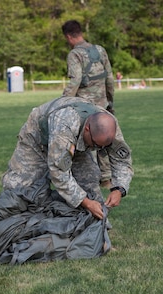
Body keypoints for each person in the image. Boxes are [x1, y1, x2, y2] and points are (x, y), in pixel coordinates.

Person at [1, 96, 133, 220]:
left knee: (89, 180)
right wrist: (85, 202)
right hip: (37, 138)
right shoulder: (65, 126)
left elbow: (121, 160)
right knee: (19, 186)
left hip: (76, 140)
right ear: (87, 129)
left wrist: (119, 189)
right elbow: (59, 173)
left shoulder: (109, 126)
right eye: (95, 145)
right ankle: (12, 225)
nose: (97, 149)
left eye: (103, 146)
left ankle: (96, 229)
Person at [61, 20, 114, 189]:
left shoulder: (74, 55)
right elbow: (109, 78)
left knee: (83, 141)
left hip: (84, 107)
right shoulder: (100, 50)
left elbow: (75, 81)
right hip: (102, 105)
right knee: (104, 139)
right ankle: (106, 178)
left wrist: (62, 102)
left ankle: (84, 178)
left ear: (69, 37)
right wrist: (110, 100)